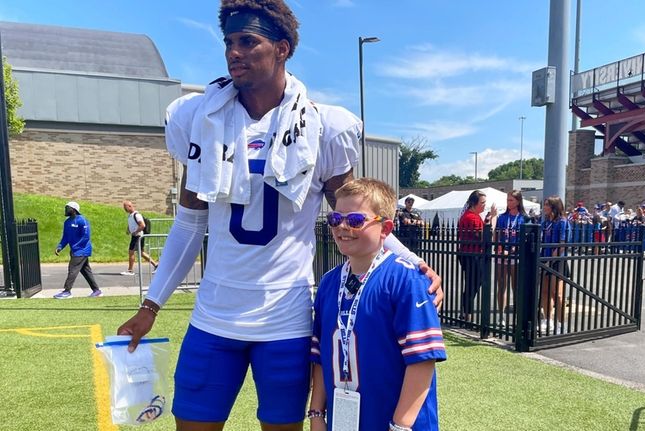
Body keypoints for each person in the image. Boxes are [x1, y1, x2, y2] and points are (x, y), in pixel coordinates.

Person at [116, 2, 442, 430]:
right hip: (215, 313)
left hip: (285, 317)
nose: (235, 52)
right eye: (230, 42)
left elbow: (356, 212)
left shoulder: (324, 126)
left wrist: (411, 261)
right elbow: (190, 223)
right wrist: (151, 304)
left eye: (249, 41)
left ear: (282, 49)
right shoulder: (198, 117)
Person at [308, 178, 446, 431]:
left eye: (356, 220)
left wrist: (401, 426)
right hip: (343, 421)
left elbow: (422, 361)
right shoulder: (329, 283)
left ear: (385, 229)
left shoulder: (407, 280)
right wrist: (317, 413)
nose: (342, 227)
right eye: (335, 219)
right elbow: (320, 356)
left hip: (396, 422)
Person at [457, 190, 495, 323]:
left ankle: (465, 312)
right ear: (474, 203)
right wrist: (493, 220)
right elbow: (484, 237)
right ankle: (467, 314)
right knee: (472, 284)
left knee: (471, 283)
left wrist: (486, 221)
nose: (484, 205)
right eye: (482, 203)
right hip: (472, 255)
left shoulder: (471, 215)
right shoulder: (471, 217)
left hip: (470, 254)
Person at [53, 201, 102, 299]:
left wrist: (76, 247)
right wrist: (60, 247)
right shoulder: (67, 222)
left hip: (82, 250)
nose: (65, 210)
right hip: (75, 250)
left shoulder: (82, 220)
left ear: (74, 210)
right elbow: (65, 237)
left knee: (72, 269)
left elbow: (86, 236)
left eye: (67, 208)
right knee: (85, 271)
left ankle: (67, 291)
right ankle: (97, 291)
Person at [492, 190, 526, 325]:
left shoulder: (524, 218)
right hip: (501, 256)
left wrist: (512, 250)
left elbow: (523, 239)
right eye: (507, 200)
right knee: (501, 286)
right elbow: (497, 235)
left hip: (516, 257)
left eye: (511, 200)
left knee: (516, 287)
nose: (508, 202)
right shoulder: (502, 218)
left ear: (518, 201)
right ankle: (501, 315)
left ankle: (518, 316)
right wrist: (499, 247)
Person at [539, 196, 569, 335]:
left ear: (554, 207)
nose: (544, 207)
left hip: (557, 261)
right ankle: (547, 319)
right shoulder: (545, 223)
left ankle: (561, 323)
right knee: (544, 292)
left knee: (557, 294)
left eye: (547, 205)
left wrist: (552, 259)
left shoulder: (562, 222)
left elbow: (562, 244)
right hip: (545, 259)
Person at [121, 200, 158, 276]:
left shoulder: (137, 215)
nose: (124, 209)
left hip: (137, 236)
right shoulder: (130, 215)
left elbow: (142, 225)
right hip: (135, 235)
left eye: (125, 207)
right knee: (141, 253)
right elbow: (132, 224)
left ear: (130, 206)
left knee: (131, 252)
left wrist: (135, 232)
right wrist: (128, 230)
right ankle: (156, 265)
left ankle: (130, 270)